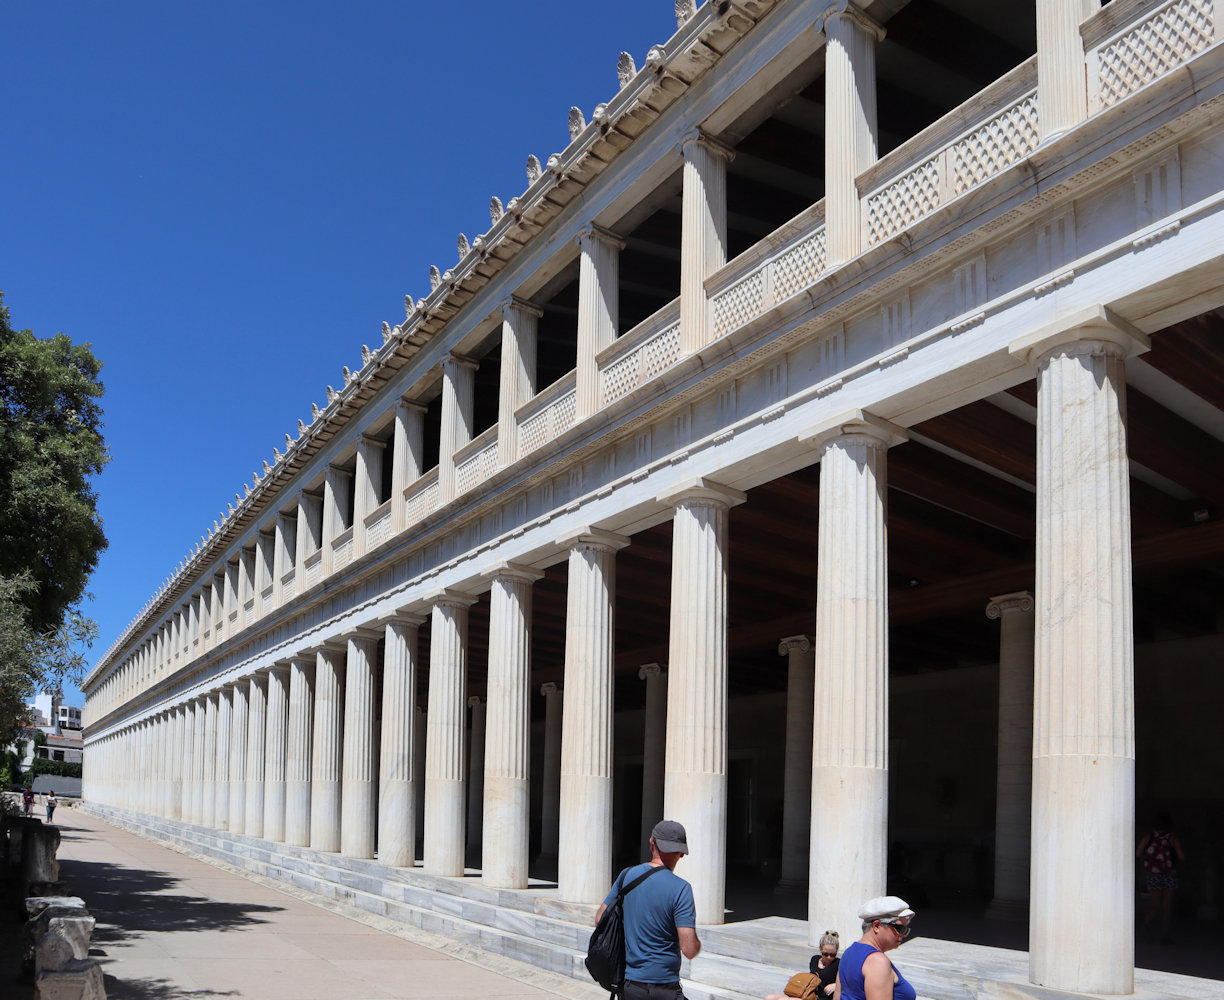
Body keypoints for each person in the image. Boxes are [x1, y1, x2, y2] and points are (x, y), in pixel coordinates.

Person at [595, 820, 701, 1000]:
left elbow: (599, 919)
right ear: (681, 854)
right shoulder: (681, 889)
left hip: (630, 987)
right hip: (665, 989)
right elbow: (689, 949)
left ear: (651, 843)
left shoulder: (626, 876)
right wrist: (697, 943)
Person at [835, 896, 916, 1000]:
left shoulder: (848, 953)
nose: (903, 935)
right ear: (877, 926)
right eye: (900, 928)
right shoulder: (877, 961)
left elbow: (837, 996)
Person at [1137, 811, 1185, 943]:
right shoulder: (1172, 838)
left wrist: (1150, 861)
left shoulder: (1148, 836)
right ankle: (1165, 935)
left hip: (1153, 875)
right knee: (1167, 906)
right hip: (1169, 874)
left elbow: (1138, 853)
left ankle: (1146, 925)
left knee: (1154, 905)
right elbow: (1181, 856)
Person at [763, 929, 840, 999]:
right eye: (825, 954)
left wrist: (835, 985)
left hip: (821, 998)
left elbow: (849, 983)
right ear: (820, 949)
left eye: (832, 954)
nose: (829, 957)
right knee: (769, 997)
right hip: (806, 994)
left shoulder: (838, 963)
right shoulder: (814, 959)